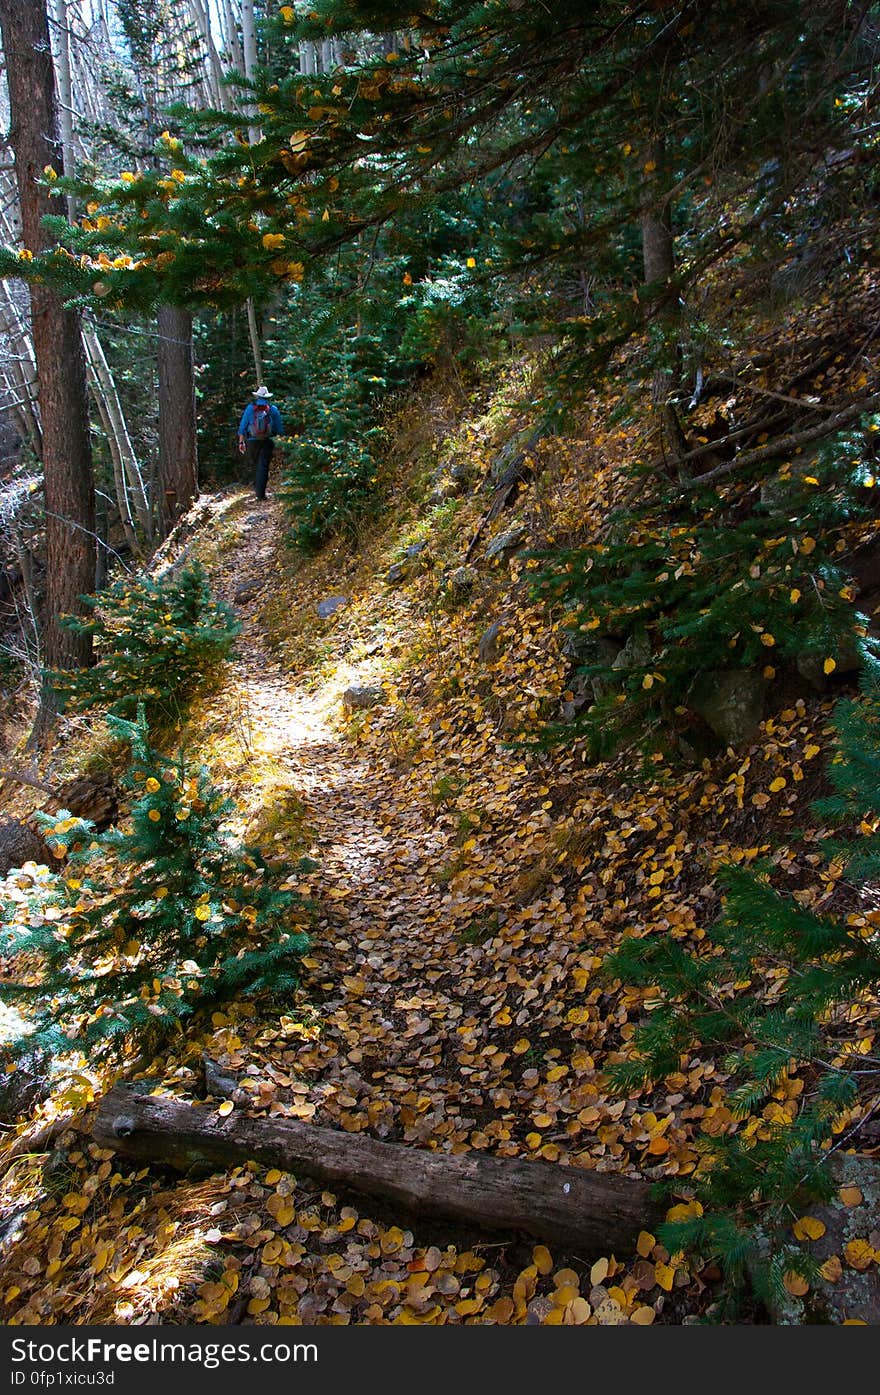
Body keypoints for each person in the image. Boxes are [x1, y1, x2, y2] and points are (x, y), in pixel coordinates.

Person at [238, 386, 283, 500]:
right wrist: (280, 443)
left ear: (257, 396)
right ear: (267, 397)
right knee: (264, 466)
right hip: (267, 441)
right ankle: (261, 494)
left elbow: (243, 426)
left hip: (252, 441)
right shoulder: (272, 409)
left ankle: (257, 490)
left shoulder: (250, 408)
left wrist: (241, 442)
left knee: (255, 465)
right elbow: (279, 428)